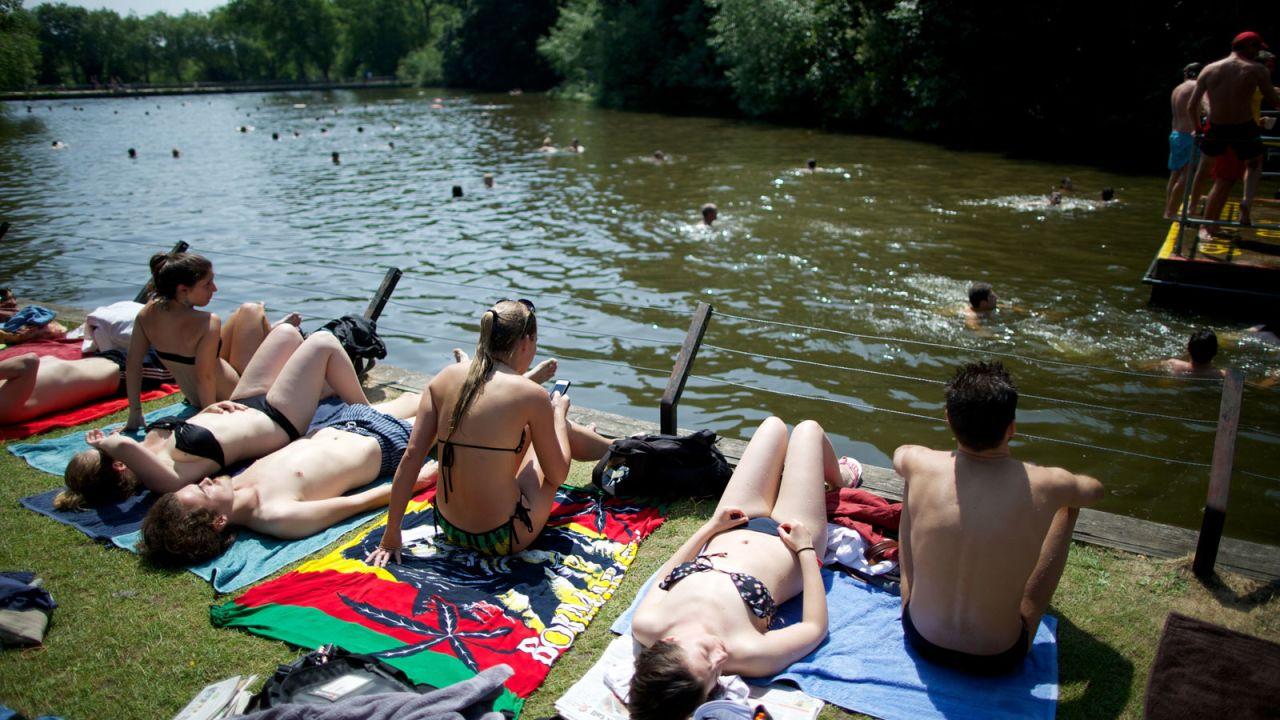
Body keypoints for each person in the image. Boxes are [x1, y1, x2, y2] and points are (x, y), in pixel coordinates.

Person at [626, 417, 856, 718]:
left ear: (668, 642)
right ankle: (842, 479)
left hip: (733, 525)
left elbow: (666, 574)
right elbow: (814, 627)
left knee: (772, 426)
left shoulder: (648, 624)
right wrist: (807, 550)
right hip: (789, 539)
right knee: (808, 430)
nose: (721, 657)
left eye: (707, 656)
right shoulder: (749, 653)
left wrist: (709, 528)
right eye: (716, 672)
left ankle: (825, 477)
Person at [894, 362, 1103, 674]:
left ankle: (914, 590)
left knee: (912, 480)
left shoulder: (919, 462)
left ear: (949, 419)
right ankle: (1025, 605)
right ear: (1012, 427)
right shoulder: (1047, 483)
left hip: (921, 637)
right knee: (1067, 504)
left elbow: (901, 453)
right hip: (999, 655)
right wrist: (1050, 480)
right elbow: (1095, 491)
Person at [366, 299, 611, 563]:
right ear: (526, 341)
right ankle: (619, 449)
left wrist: (391, 536)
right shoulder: (531, 393)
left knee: (535, 430)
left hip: (450, 528)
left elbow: (411, 458)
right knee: (556, 425)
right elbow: (557, 474)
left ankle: (614, 446)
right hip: (504, 537)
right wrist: (558, 415)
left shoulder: (443, 378)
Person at [58, 328, 369, 510]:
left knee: (286, 333)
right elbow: (127, 447)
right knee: (323, 342)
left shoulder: (149, 447)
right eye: (105, 450)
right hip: (276, 419)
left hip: (243, 403)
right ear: (119, 463)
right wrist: (114, 442)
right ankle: (368, 415)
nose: (108, 441)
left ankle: (328, 385)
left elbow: (184, 430)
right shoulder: (162, 478)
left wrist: (207, 412)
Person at [138, 393, 436, 567]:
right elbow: (355, 503)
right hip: (388, 442)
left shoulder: (236, 484)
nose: (205, 480)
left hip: (347, 422)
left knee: (417, 395)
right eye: (203, 490)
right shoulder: (277, 516)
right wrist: (413, 482)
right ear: (218, 521)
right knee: (446, 403)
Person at [124, 252, 299, 430]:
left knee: (246, 311)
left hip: (195, 396)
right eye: (207, 284)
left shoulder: (146, 314)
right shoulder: (206, 321)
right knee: (254, 310)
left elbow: (132, 365)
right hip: (237, 393)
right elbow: (204, 376)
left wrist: (135, 413)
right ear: (183, 289)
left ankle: (270, 331)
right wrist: (208, 412)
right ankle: (272, 332)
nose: (214, 289)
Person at [1188, 31, 1280, 232]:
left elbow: (1192, 105)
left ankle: (1193, 207)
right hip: (1243, 126)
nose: (1257, 53)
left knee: (1205, 168)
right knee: (1254, 163)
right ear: (1249, 47)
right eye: (1256, 48)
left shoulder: (1209, 69)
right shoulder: (1256, 69)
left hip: (1216, 127)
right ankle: (1246, 201)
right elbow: (1274, 101)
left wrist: (1198, 128)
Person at [1165, 63, 1203, 219]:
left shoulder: (1178, 88)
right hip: (1188, 135)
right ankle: (1172, 211)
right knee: (1187, 174)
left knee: (1175, 174)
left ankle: (1169, 208)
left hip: (1175, 134)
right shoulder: (1196, 86)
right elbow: (1206, 107)